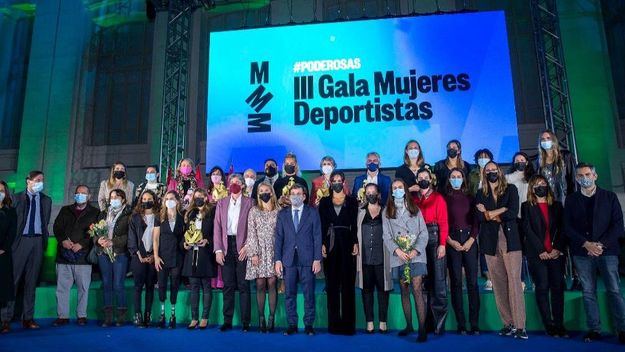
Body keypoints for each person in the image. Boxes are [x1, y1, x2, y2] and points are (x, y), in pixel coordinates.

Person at [564, 162, 625, 344]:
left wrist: (600, 245)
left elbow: (618, 226)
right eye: (581, 176)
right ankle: (594, 329)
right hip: (582, 253)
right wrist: (586, 244)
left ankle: (622, 329)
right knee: (588, 292)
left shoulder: (609, 197)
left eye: (588, 174)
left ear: (595, 176)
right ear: (576, 178)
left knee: (614, 290)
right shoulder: (571, 200)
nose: (585, 178)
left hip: (607, 252)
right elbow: (568, 227)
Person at [475, 161, 527, 339]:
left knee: (514, 282)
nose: (491, 172)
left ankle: (520, 326)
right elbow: (479, 217)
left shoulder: (511, 189)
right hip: (490, 242)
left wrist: (489, 213)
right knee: (498, 284)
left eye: (494, 169)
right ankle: (508, 323)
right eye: (488, 170)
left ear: (499, 171)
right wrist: (498, 212)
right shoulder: (480, 193)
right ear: (484, 174)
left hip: (510, 240)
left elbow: (512, 212)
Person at [4, 171, 52, 329]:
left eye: (42, 180)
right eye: (37, 180)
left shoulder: (46, 200)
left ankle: (28, 318)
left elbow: (45, 223)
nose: (40, 182)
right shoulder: (16, 198)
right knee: (13, 281)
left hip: (37, 242)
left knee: (31, 282)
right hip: (20, 242)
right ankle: (5, 319)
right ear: (28, 181)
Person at [383, 179, 429, 342]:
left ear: (405, 190)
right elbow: (386, 236)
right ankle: (409, 325)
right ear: (391, 191)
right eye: (394, 188)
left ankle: (422, 329)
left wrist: (416, 249)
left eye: (400, 187)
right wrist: (397, 250)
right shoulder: (387, 211)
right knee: (404, 290)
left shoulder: (415, 209)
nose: (397, 190)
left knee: (417, 288)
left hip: (416, 255)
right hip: (399, 256)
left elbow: (424, 232)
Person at [521, 175, 567, 337]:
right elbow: (527, 229)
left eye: (543, 184)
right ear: (532, 189)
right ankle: (549, 324)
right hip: (537, 254)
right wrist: (541, 250)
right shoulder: (526, 206)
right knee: (542, 287)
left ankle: (559, 324)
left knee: (557, 288)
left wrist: (557, 249)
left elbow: (563, 228)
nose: (541, 186)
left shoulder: (557, 206)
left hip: (556, 254)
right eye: (537, 185)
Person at [274, 183, 322, 336]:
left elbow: (317, 236)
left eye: (298, 193)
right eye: (292, 193)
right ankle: (292, 324)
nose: (295, 196)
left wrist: (317, 259)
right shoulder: (282, 214)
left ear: (304, 196)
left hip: (308, 260)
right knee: (289, 294)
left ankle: (308, 324)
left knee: (309, 294)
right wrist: (278, 260)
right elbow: (279, 238)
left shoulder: (312, 213)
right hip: (288, 260)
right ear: (289, 196)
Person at [52, 185, 99, 327]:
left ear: (89, 196)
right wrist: (63, 240)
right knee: (62, 288)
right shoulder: (65, 210)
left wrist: (83, 244)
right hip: (64, 256)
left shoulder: (95, 212)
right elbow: (57, 227)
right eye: (78, 193)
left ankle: (81, 315)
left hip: (83, 257)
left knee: (83, 288)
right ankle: (62, 316)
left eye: (83, 193)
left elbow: (96, 232)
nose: (80, 195)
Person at [318, 171, 359, 335]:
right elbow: (321, 224)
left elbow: (355, 224)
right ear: (330, 183)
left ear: (343, 182)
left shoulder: (352, 201)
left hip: (348, 243)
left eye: (338, 180)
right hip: (330, 244)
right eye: (333, 180)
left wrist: (355, 241)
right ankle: (334, 325)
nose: (336, 183)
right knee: (332, 285)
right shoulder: (324, 202)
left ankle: (349, 326)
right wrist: (322, 243)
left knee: (348, 285)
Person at [412, 165, 449, 335]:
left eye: (426, 177)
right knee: (423, 282)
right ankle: (425, 322)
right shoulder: (413, 199)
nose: (423, 180)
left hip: (434, 238)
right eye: (420, 178)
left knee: (439, 281)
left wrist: (442, 244)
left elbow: (443, 223)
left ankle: (439, 324)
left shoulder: (438, 198)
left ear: (431, 179)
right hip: (419, 240)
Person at [214, 174, 253, 332]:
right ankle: (227, 320)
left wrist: (248, 245)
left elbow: (253, 226)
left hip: (243, 245)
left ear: (243, 186)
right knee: (228, 285)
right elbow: (217, 227)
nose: (234, 185)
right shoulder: (221, 203)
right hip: (225, 245)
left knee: (244, 285)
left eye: (237, 182)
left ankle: (245, 321)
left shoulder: (250, 202)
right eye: (232, 182)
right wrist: (218, 249)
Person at [444, 168, 480, 335]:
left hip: (469, 241)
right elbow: (441, 222)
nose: (456, 179)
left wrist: (471, 240)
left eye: (459, 177)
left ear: (463, 179)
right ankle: (461, 324)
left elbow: (476, 222)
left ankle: (474, 323)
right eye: (453, 177)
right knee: (456, 283)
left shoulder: (471, 198)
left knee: (472, 283)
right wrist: (451, 242)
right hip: (452, 241)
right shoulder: (444, 199)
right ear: (449, 180)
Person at [355, 183, 392, 334]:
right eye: (368, 192)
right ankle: (369, 322)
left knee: (383, 291)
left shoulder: (386, 211)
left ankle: (383, 322)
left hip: (382, 257)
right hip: (364, 258)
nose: (370, 194)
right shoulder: (359, 212)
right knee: (367, 290)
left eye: (373, 192)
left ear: (378, 194)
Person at [244, 182, 279, 333]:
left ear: (271, 192)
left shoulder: (279, 210)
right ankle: (261, 317)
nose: (264, 193)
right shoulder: (253, 211)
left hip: (274, 251)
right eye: (261, 191)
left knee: (272, 282)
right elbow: (251, 233)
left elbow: (282, 233)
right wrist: (253, 254)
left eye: (267, 190)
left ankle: (271, 317)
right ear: (258, 194)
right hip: (258, 250)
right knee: (260, 284)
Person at [96, 189, 132, 327]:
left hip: (120, 253)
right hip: (103, 252)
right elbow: (96, 230)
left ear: (123, 199)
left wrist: (113, 242)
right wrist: (98, 239)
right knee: (106, 283)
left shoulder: (128, 214)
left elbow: (129, 235)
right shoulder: (104, 213)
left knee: (118, 284)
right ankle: (108, 316)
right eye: (111, 197)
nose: (113, 199)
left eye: (117, 196)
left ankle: (121, 315)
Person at [182, 189, 217, 329]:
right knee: (194, 287)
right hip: (191, 255)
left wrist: (208, 241)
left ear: (206, 198)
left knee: (206, 287)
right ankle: (194, 318)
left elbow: (216, 233)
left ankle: (205, 317)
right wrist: (184, 244)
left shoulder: (212, 213)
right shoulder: (189, 214)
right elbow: (183, 233)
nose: (198, 199)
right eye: (196, 197)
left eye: (201, 197)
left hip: (205, 255)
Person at [128, 190, 160, 328]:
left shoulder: (159, 217)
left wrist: (154, 255)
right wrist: (139, 254)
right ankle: (137, 315)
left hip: (153, 257)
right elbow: (132, 239)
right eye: (144, 198)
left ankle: (148, 314)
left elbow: (160, 239)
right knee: (138, 287)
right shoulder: (135, 218)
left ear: (154, 200)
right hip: (138, 257)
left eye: (149, 198)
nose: (147, 201)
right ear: (140, 200)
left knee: (150, 287)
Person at [153, 191, 185, 329]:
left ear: (177, 201)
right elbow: (155, 239)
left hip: (177, 256)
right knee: (161, 285)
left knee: (175, 284)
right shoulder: (159, 217)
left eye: (172, 199)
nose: (169, 201)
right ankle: (162, 314)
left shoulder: (183, 217)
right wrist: (156, 257)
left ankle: (172, 314)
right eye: (166, 199)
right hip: (162, 257)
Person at [505, 152, 536, 291]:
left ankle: (535, 280)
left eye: (522, 160)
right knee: (518, 252)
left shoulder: (533, 178)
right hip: (514, 218)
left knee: (532, 249)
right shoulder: (508, 178)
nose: (520, 162)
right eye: (517, 160)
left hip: (530, 216)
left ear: (527, 162)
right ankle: (521, 280)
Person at [535, 130, 576, 203]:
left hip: (566, 198)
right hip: (549, 200)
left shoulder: (566, 156)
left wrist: (575, 198)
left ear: (553, 140)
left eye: (548, 138)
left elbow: (573, 178)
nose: (545, 141)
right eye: (543, 139)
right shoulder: (539, 161)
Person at [0, 181, 17, 333]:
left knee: (4, 287)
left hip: (3, 255)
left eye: (1, 190)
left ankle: (4, 320)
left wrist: (3, 248)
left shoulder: (10, 211)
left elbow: (12, 232)